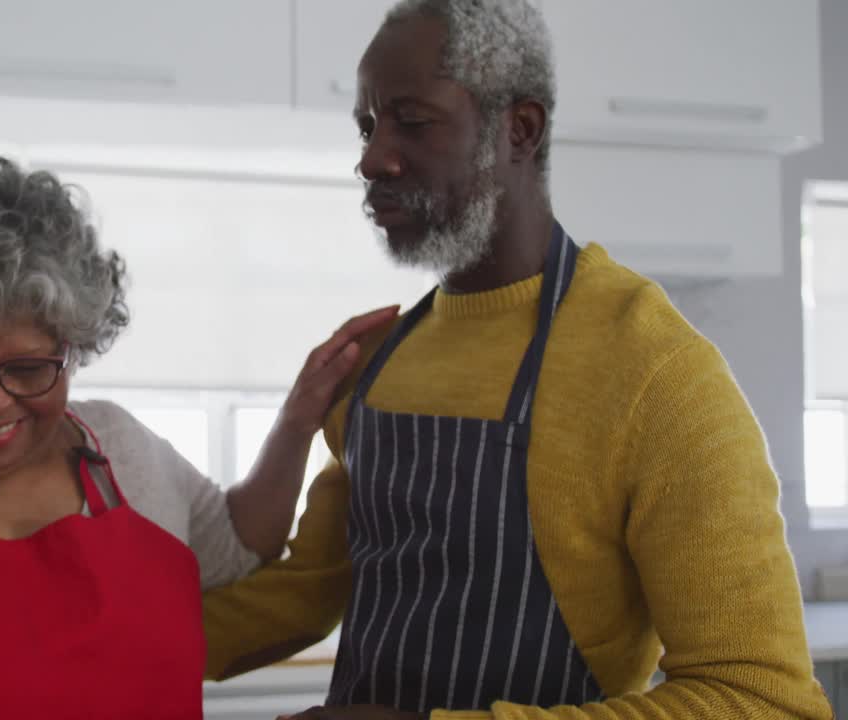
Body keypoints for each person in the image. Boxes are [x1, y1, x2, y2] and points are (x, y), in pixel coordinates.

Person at [200, 1, 834, 718]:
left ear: (519, 130)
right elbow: (305, 591)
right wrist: (91, 641)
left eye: (411, 120)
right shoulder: (377, 359)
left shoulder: (655, 372)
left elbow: (764, 698)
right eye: (368, 126)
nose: (371, 157)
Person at [0, 157, 396, 719]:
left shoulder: (122, 447)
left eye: (27, 369)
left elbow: (237, 545)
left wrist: (297, 421)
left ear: (74, 350)